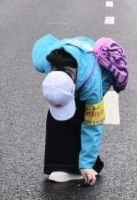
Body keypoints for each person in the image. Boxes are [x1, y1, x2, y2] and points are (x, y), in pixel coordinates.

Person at [32, 33, 111, 185]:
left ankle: (79, 167)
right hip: (71, 51)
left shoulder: (92, 86)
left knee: (83, 114)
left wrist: (86, 165)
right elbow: (45, 40)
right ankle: (60, 164)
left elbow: (93, 126)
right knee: (58, 113)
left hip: (94, 62)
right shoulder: (44, 61)